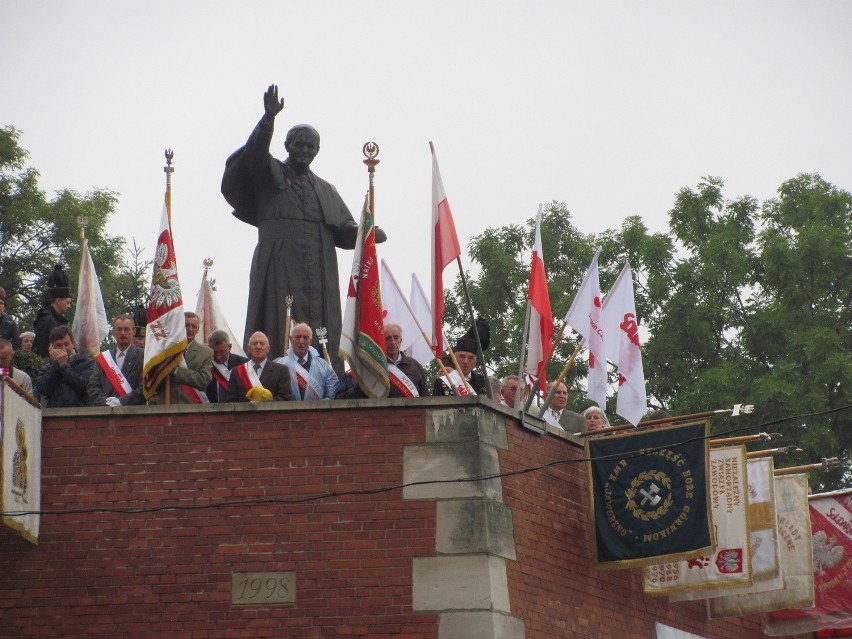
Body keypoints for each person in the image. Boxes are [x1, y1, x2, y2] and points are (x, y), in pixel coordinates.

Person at [221, 84, 385, 372]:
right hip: (279, 263)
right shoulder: (269, 175)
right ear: (286, 146)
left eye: (311, 146)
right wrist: (268, 119)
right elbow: (254, 156)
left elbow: (343, 228)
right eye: (299, 144)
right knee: (275, 322)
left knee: (323, 331)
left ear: (318, 151)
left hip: (320, 270)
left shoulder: (325, 189)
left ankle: (327, 374)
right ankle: (272, 373)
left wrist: (365, 234)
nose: (305, 150)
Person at [152, 312, 213, 404]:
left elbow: (203, 380)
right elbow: (153, 380)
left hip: (191, 407)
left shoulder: (206, 352)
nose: (190, 329)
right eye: (186, 325)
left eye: (194, 326)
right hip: (164, 406)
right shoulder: (165, 350)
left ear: (198, 329)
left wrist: (176, 371)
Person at [88, 315, 145, 407]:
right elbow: (93, 387)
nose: (122, 333)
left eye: (126, 329)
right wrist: (105, 402)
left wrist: (121, 401)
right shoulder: (103, 358)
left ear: (133, 331)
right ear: (113, 332)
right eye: (119, 329)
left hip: (134, 414)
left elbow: (144, 388)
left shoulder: (143, 356)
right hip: (106, 414)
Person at [274, 323, 338, 400]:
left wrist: (321, 407)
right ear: (291, 339)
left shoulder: (323, 365)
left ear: (310, 341)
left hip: (317, 411)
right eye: (297, 337)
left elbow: (331, 393)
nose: (301, 341)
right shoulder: (280, 364)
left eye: (305, 338)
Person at [34, 325, 93, 408]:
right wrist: (55, 364)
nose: (63, 349)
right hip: (53, 416)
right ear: (52, 347)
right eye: (59, 345)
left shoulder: (86, 363)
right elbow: (43, 390)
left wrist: (64, 366)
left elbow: (84, 387)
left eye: (66, 344)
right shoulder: (47, 368)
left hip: (79, 416)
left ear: (73, 344)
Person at [227, 331, 293, 402]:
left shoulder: (281, 371)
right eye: (255, 343)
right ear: (248, 348)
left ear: (268, 349)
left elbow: (284, 398)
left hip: (271, 413)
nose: (258, 347)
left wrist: (263, 408)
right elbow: (231, 401)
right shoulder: (236, 372)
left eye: (262, 344)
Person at [33, 265, 72, 358]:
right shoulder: (47, 319)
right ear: (58, 301)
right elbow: (45, 349)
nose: (69, 306)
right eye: (67, 302)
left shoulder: (55, 318)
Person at [206, 330, 248, 403]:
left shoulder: (244, 364)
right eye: (214, 352)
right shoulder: (204, 365)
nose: (218, 357)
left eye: (222, 352)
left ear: (230, 347)